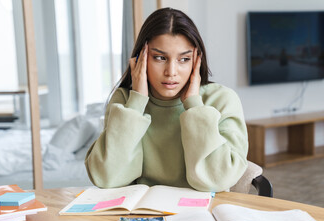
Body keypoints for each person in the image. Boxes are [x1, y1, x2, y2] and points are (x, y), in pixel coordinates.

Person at [85, 7, 248, 192]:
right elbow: (105, 177)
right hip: (142, 214)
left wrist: (194, 105)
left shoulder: (221, 100)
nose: (171, 72)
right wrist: (136, 103)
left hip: (202, 214)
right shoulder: (125, 101)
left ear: (197, 60)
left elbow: (218, 180)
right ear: (141, 58)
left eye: (184, 59)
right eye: (160, 57)